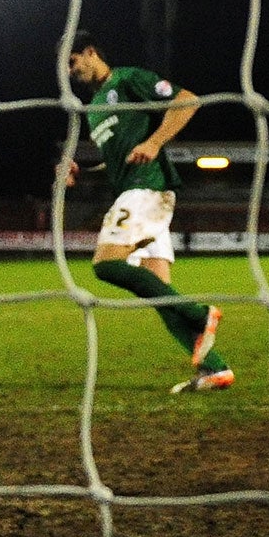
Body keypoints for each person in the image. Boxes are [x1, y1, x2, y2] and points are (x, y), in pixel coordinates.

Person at [62, 31, 234, 394]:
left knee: (106, 264)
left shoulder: (127, 79)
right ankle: (216, 369)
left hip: (147, 189)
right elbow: (120, 160)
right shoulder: (93, 112)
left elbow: (188, 100)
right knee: (160, 294)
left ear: (90, 52)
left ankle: (201, 313)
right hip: (136, 192)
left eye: (72, 61)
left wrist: (155, 141)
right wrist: (84, 171)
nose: (70, 71)